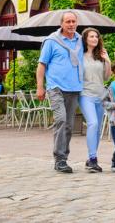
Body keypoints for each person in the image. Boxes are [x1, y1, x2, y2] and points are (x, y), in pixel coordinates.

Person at [36, 11, 84, 174]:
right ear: (61, 24)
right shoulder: (51, 41)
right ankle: (59, 159)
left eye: (73, 21)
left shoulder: (80, 41)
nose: (71, 24)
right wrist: (40, 87)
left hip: (74, 88)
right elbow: (42, 65)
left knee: (69, 126)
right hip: (56, 87)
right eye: (68, 22)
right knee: (61, 120)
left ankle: (64, 157)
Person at [79, 27, 112, 173]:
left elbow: (106, 77)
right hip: (85, 95)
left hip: (100, 96)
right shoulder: (79, 55)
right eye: (91, 36)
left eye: (96, 37)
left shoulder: (101, 56)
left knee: (98, 129)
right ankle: (93, 159)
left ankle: (90, 158)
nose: (94, 39)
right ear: (85, 39)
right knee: (92, 123)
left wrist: (108, 61)